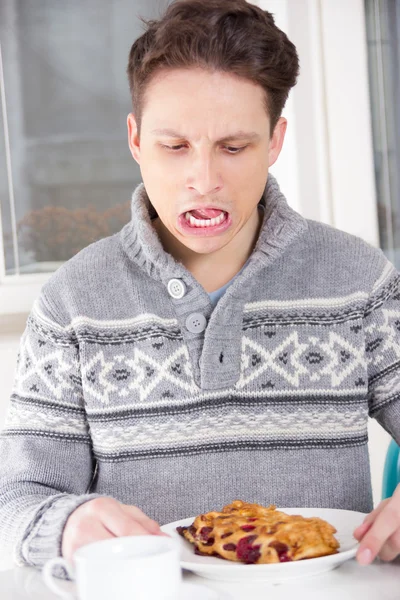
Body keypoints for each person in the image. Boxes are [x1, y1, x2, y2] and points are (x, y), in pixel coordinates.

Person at [0, 0, 399, 572]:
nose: (204, 181)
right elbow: (15, 499)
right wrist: (64, 523)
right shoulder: (72, 304)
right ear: (135, 139)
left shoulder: (360, 282)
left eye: (234, 148)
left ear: (275, 141)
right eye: (175, 146)